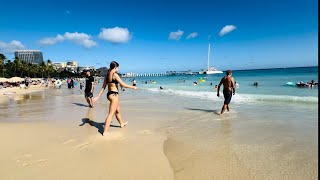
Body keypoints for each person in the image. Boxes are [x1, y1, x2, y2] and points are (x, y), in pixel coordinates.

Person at [93, 61, 137, 136]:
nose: (119, 69)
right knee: (111, 114)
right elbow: (123, 84)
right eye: (118, 67)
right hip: (114, 95)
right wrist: (133, 87)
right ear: (115, 67)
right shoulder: (115, 75)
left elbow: (103, 87)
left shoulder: (107, 76)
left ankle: (121, 123)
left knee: (117, 111)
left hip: (109, 94)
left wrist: (97, 97)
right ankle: (105, 131)